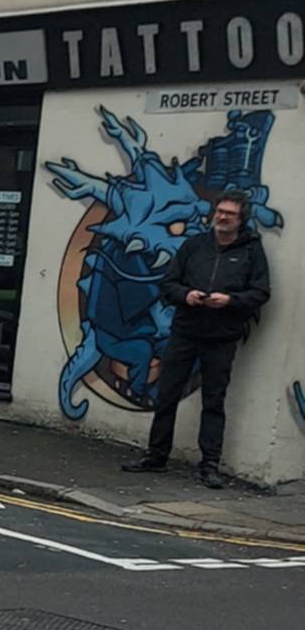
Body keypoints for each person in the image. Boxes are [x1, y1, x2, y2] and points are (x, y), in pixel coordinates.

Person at [122, 190, 270, 489]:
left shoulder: (251, 251)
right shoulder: (194, 245)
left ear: (241, 220)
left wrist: (229, 300)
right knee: (166, 395)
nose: (223, 216)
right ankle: (156, 456)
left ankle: (210, 465)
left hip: (222, 336)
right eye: (220, 211)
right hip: (186, 330)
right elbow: (168, 283)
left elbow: (261, 293)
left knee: (213, 400)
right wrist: (185, 295)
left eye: (230, 213)